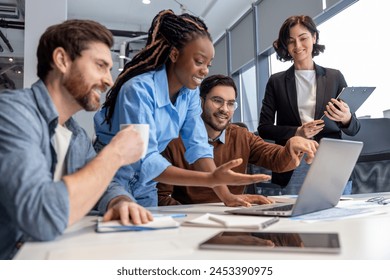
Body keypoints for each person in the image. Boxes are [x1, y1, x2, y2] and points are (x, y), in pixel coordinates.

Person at [0, 19, 154, 260]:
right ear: (62, 60)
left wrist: (120, 201)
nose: (109, 81)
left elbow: (104, 184)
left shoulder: (77, 136)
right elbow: (41, 217)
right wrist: (115, 154)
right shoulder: (12, 113)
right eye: (101, 66)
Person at [94, 9, 271, 208]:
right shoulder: (138, 90)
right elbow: (143, 159)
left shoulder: (189, 94)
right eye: (199, 61)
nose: (205, 70)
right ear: (175, 54)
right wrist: (210, 179)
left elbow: (198, 147)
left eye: (209, 64)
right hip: (111, 179)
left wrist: (226, 195)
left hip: (145, 185)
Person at [157, 74, 318, 205]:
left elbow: (275, 158)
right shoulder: (173, 140)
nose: (224, 109)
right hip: (195, 225)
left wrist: (291, 145)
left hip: (236, 217)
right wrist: (192, 217)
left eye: (231, 103)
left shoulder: (241, 136)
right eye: (217, 101)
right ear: (200, 102)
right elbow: (161, 197)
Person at [257, 15, 360, 194]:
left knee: (337, 219)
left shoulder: (334, 77)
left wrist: (346, 118)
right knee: (293, 219)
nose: (298, 46)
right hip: (293, 163)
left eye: (303, 38)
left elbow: (354, 128)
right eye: (291, 41)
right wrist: (297, 132)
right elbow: (264, 128)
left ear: (314, 38)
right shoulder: (276, 82)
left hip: (332, 163)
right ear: (286, 46)